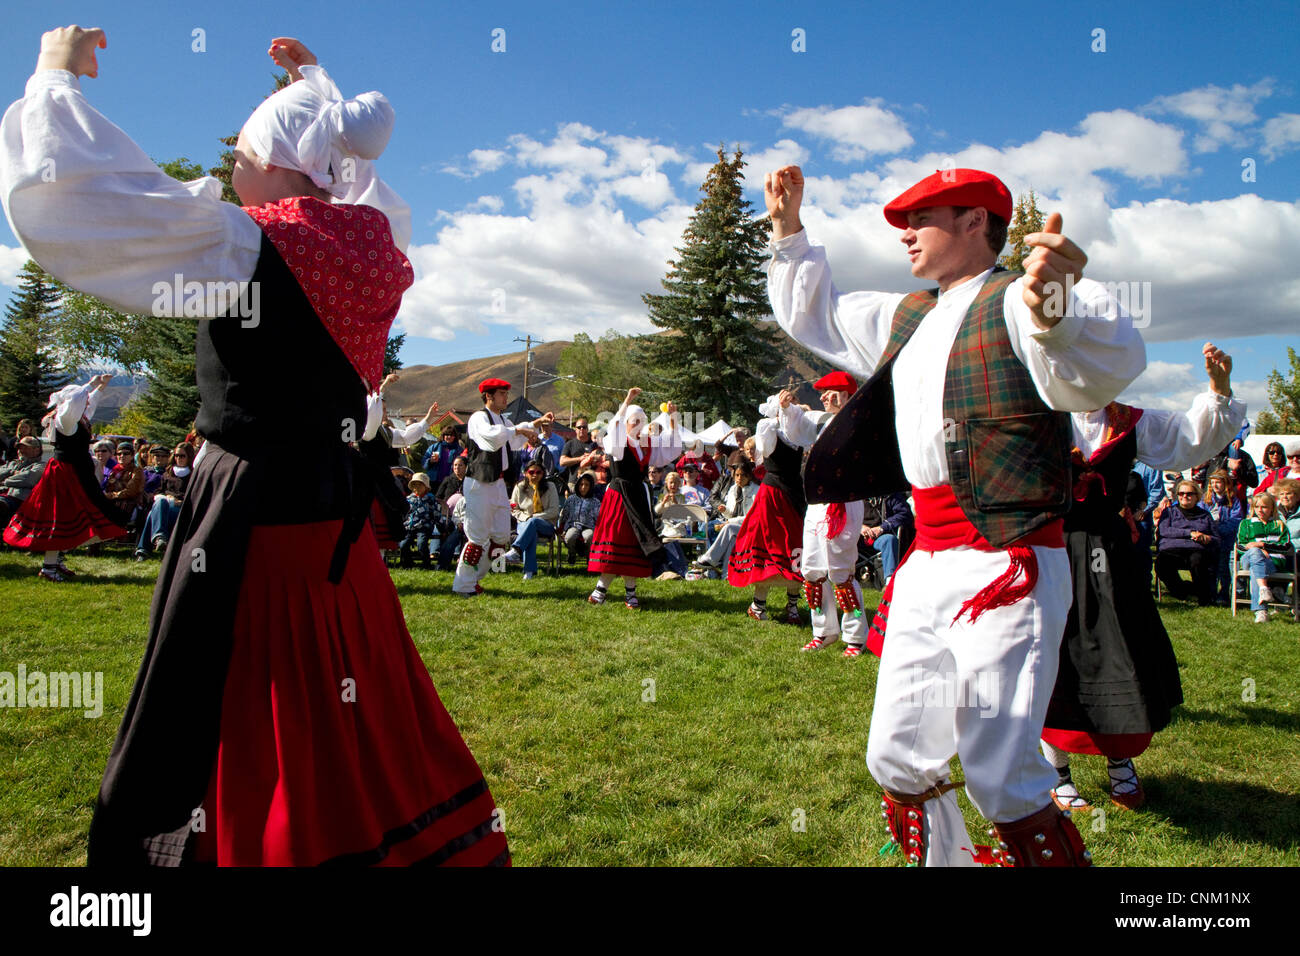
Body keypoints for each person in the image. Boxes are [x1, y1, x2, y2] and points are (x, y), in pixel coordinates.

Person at [2, 27, 507, 865]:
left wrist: (55, 81)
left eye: (244, 148)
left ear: (274, 164)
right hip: (331, 514)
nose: (233, 162)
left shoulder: (248, 244)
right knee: (341, 699)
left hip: (248, 511)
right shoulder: (375, 245)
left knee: (238, 696)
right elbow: (356, 177)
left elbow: (87, 207)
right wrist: (314, 83)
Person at [766, 162, 1145, 866]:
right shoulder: (906, 314)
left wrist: (1056, 310)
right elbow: (815, 313)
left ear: (977, 222)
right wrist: (788, 232)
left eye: (922, 219)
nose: (906, 233)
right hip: (927, 560)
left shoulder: (1021, 299)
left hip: (1012, 557)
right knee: (898, 760)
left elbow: (1100, 366)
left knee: (1004, 778)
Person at [1040, 344, 1243, 813]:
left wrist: (1218, 389)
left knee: (1120, 650)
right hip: (1054, 548)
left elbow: (1190, 438)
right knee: (1054, 652)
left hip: (1110, 556)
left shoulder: (1131, 421)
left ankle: (1121, 765)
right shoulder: (1041, 418)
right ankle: (1055, 770)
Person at [777, 373, 871, 657]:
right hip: (818, 504)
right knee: (812, 569)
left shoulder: (858, 421)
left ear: (845, 394)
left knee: (841, 571)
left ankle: (855, 638)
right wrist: (786, 408)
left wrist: (848, 407)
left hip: (843, 503)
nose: (822, 397)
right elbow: (797, 429)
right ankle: (824, 631)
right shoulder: (823, 422)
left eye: (829, 392)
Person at [4, 375, 125, 581]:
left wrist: (101, 386)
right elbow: (78, 396)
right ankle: (49, 568)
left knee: (76, 516)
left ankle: (56, 561)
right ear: (72, 402)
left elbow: (89, 402)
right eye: (83, 399)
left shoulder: (77, 418)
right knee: (60, 518)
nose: (87, 401)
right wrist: (91, 384)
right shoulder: (65, 421)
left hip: (76, 473)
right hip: (64, 475)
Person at [453, 377, 551, 596]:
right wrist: (519, 431)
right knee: (477, 538)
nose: (506, 397)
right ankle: (463, 584)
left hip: (498, 483)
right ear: (489, 396)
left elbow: (513, 437)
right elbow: (492, 438)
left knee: (501, 537)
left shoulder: (502, 420)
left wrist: (537, 423)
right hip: (479, 482)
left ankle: (475, 578)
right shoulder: (479, 418)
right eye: (502, 393)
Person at [587, 387, 680, 608]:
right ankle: (601, 589)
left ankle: (628, 592)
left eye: (642, 420)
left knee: (636, 542)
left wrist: (673, 418)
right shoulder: (618, 442)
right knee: (617, 541)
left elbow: (670, 449)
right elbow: (615, 426)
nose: (639, 425)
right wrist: (627, 400)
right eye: (634, 421)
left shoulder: (646, 444)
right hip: (619, 497)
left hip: (637, 495)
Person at [725, 394, 806, 623]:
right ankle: (758, 605)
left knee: (796, 547)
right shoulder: (769, 428)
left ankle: (792, 606)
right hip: (772, 496)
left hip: (794, 494)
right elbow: (762, 449)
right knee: (770, 546)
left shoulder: (798, 434)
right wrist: (781, 411)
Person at [1155, 479, 1220, 605]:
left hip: (1196, 551)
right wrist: (1189, 533)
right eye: (1181, 493)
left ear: (1197, 496)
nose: (1185, 496)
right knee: (1161, 564)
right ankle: (1183, 591)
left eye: (1189, 493)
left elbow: (1217, 539)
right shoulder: (1169, 512)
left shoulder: (1205, 515)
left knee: (1198, 560)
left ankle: (1203, 597)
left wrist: (1208, 538)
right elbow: (1164, 530)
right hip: (1171, 551)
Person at [1237, 491, 1292, 623]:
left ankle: (1261, 611)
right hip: (1249, 558)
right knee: (1255, 553)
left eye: (1264, 507)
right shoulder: (1246, 523)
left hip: (1273, 563)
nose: (1260, 510)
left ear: (1272, 508)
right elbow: (1240, 546)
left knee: (1256, 570)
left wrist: (1263, 545)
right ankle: (1264, 590)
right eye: (1257, 507)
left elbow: (1285, 546)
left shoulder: (1279, 524)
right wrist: (1259, 550)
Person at [133, 443, 194, 560]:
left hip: (181, 509)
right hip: (165, 505)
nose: (178, 458)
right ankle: (159, 537)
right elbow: (158, 491)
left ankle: (144, 549)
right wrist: (165, 497)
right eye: (176, 455)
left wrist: (180, 500)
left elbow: (196, 494)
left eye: (182, 456)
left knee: (153, 513)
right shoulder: (168, 473)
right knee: (159, 504)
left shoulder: (194, 474)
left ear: (189, 457)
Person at [504, 461, 560, 580]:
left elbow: (554, 511)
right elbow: (514, 509)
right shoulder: (519, 487)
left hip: (546, 524)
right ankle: (529, 572)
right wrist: (527, 518)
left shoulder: (550, 486)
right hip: (524, 522)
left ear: (543, 474)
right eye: (531, 472)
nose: (535, 475)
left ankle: (517, 550)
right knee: (531, 532)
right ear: (525, 473)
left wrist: (534, 518)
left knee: (533, 523)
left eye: (538, 472)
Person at [1204, 468, 1246, 604]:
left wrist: (1218, 530)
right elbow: (1202, 518)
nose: (1215, 486)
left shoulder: (1234, 502)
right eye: (1213, 483)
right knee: (1211, 568)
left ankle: (1224, 593)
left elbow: (1236, 521)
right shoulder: (1206, 501)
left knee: (1224, 568)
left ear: (1226, 484)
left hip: (1226, 541)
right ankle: (1210, 593)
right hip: (1210, 541)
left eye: (1219, 482)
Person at [0, 435, 47, 522]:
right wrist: (12, 472)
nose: (21, 451)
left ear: (36, 450)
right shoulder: (12, 464)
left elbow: (29, 479)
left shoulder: (40, 466)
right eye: (20, 448)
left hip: (17, 499)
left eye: (25, 448)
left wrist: (5, 481)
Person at [398, 472, 437, 569]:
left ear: (426, 487)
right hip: (410, 526)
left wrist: (441, 527)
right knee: (403, 544)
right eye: (414, 485)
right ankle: (407, 563)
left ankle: (426, 564)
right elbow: (404, 513)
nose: (417, 487)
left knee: (421, 544)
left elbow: (436, 513)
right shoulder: (409, 499)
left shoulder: (430, 499)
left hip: (424, 526)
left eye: (420, 485)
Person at [559, 471, 601, 560]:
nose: (583, 487)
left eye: (586, 485)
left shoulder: (595, 502)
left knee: (589, 536)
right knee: (570, 537)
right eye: (581, 484)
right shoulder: (571, 499)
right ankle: (572, 553)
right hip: (573, 525)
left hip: (589, 526)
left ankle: (588, 555)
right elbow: (564, 515)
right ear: (577, 485)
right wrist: (562, 529)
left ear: (590, 487)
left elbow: (598, 519)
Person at [559, 417, 599, 490]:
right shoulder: (570, 444)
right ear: (575, 429)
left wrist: (593, 458)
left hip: (592, 483)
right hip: (574, 483)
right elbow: (562, 461)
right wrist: (580, 459)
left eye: (584, 427)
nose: (581, 429)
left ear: (587, 429)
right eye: (579, 427)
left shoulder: (594, 444)